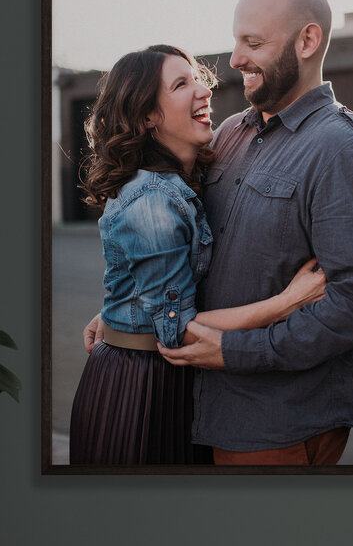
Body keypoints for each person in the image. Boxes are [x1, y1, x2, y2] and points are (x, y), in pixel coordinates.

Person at [149, 0, 353, 466]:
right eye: (236, 40)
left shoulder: (343, 149)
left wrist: (238, 352)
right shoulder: (227, 135)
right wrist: (123, 312)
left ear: (307, 41)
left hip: (278, 422)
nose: (236, 59)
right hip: (199, 409)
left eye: (254, 42)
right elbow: (181, 255)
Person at [71, 43, 328, 466]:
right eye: (180, 84)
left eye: (196, 79)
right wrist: (288, 302)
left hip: (171, 378)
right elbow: (177, 332)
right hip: (144, 388)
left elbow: (162, 288)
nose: (204, 91)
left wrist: (121, 306)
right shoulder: (153, 199)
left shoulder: (189, 177)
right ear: (147, 116)